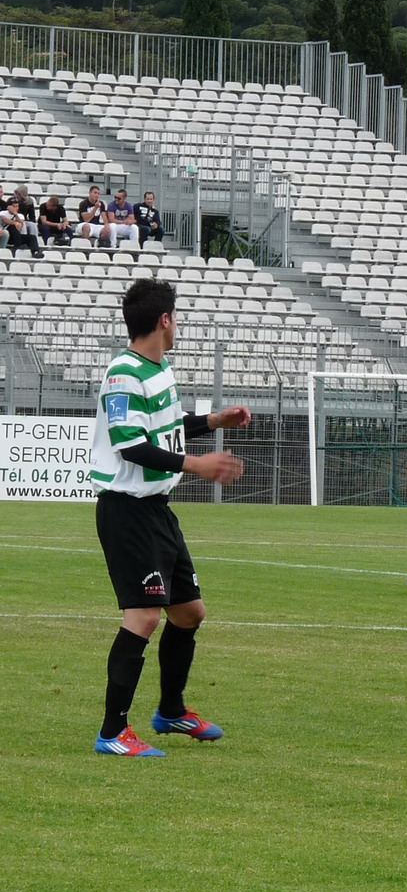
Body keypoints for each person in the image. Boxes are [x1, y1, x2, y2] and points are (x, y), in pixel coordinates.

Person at [90, 277, 252, 757]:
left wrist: (213, 422)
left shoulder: (158, 370)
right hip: (127, 511)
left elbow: (164, 429)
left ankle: (171, 712)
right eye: (176, 317)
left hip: (157, 511)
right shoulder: (124, 373)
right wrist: (199, 465)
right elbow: (132, 445)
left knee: (188, 613)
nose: (177, 325)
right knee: (142, 618)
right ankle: (113, 732)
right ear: (165, 320)